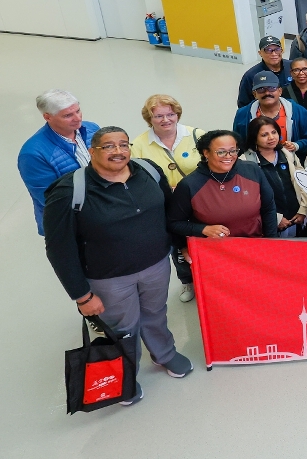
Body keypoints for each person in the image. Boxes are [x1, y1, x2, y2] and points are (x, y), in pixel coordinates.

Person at [44, 126, 190, 398]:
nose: (118, 151)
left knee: (156, 313)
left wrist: (181, 245)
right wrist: (82, 296)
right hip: (109, 278)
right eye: (108, 146)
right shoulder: (69, 191)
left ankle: (164, 353)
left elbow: (170, 213)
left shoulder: (149, 171)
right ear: (92, 151)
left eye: (124, 144)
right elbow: (59, 248)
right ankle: (124, 377)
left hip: (156, 266)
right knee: (123, 328)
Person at [130, 94, 204, 302]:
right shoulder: (138, 145)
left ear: (177, 114)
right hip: (166, 205)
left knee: (204, 239)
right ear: (149, 118)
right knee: (177, 245)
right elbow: (137, 179)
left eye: (170, 114)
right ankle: (187, 280)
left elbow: (212, 164)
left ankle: (209, 277)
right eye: (158, 116)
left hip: (200, 201)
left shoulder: (197, 135)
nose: (165, 120)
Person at [168, 131, 279, 264]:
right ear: (206, 153)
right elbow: (174, 223)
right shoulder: (189, 185)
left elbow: (269, 208)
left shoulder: (252, 170)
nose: (228, 156)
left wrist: (272, 243)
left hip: (255, 247)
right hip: (215, 254)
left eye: (233, 151)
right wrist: (203, 229)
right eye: (221, 152)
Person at [18, 89, 99, 234]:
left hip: (102, 213)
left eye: (78, 111)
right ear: (47, 117)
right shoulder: (33, 153)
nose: (77, 118)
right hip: (67, 227)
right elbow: (52, 200)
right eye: (68, 115)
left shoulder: (92, 129)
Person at [240, 116, 307, 238]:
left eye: (274, 132)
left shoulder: (288, 154)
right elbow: (248, 199)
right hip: (269, 224)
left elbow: (304, 183)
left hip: (297, 219)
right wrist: (276, 218)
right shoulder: (246, 162)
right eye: (264, 135)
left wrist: (303, 210)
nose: (271, 137)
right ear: (254, 138)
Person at [233, 72, 307, 159]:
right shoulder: (243, 114)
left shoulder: (298, 111)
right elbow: (236, 144)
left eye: (272, 88)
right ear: (255, 94)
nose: (267, 93)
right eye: (261, 89)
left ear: (280, 91)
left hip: (291, 161)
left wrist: (296, 145)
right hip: (255, 163)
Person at [237, 36, 291, 107]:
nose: (274, 54)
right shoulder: (251, 76)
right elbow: (243, 104)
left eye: (277, 49)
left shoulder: (292, 67)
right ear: (260, 53)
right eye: (268, 50)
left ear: (282, 51)